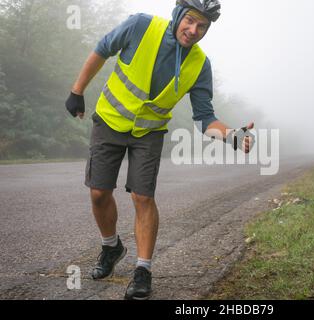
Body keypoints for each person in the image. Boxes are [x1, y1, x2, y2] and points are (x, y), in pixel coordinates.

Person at [65, 0, 254, 300]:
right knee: (99, 192)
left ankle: (143, 271)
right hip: (110, 121)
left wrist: (231, 134)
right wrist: (77, 91)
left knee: (143, 196)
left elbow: (204, 117)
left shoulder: (199, 65)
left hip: (149, 132)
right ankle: (111, 246)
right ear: (179, 14)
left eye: (202, 26)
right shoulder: (140, 25)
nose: (193, 30)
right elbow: (103, 48)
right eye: (190, 21)